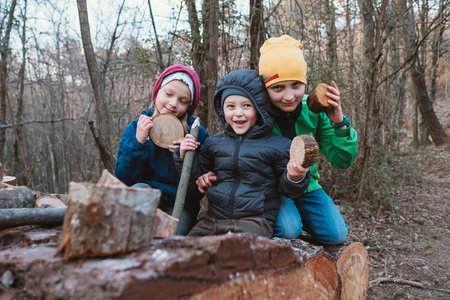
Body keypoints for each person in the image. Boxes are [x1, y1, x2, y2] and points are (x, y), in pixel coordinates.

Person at [174, 69, 311, 238]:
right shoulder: (214, 143)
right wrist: (183, 157)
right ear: (222, 110)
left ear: (260, 109)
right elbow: (196, 184)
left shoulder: (278, 145)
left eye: (246, 106)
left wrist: (295, 177)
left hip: (254, 221)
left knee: (239, 255)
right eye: (230, 106)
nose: (238, 113)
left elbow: (287, 190)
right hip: (213, 219)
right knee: (186, 251)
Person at [257, 34, 358, 244]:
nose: (289, 96)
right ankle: (289, 220)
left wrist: (339, 122)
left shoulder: (315, 112)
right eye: (278, 87)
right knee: (288, 229)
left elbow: (342, 161)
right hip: (273, 188)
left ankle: (302, 219)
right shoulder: (258, 115)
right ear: (265, 88)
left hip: (308, 186)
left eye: (296, 84)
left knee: (336, 234)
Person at [115, 64, 209, 235]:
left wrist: (185, 158)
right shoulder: (138, 127)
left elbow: (197, 192)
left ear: (189, 106)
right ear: (157, 91)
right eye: (168, 94)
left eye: (183, 101)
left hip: (179, 204)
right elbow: (124, 179)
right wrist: (139, 142)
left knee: (171, 239)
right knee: (132, 222)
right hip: (144, 194)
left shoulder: (196, 134)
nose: (173, 104)